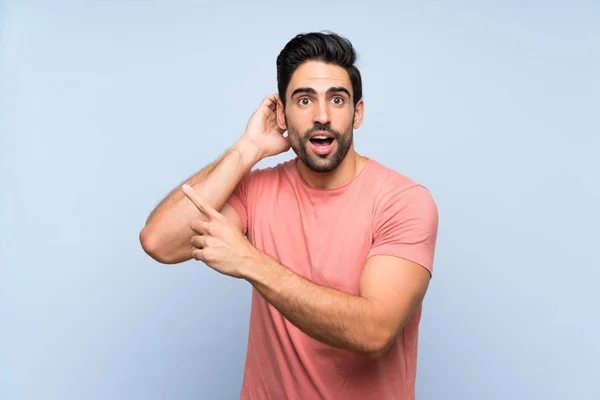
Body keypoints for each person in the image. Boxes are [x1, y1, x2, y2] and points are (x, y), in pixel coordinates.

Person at [140, 31, 439, 400]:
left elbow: (373, 332)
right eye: (304, 100)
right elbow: (160, 242)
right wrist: (248, 148)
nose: (322, 116)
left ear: (357, 113)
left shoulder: (403, 201)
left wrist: (250, 261)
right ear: (281, 113)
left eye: (337, 99)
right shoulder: (257, 190)